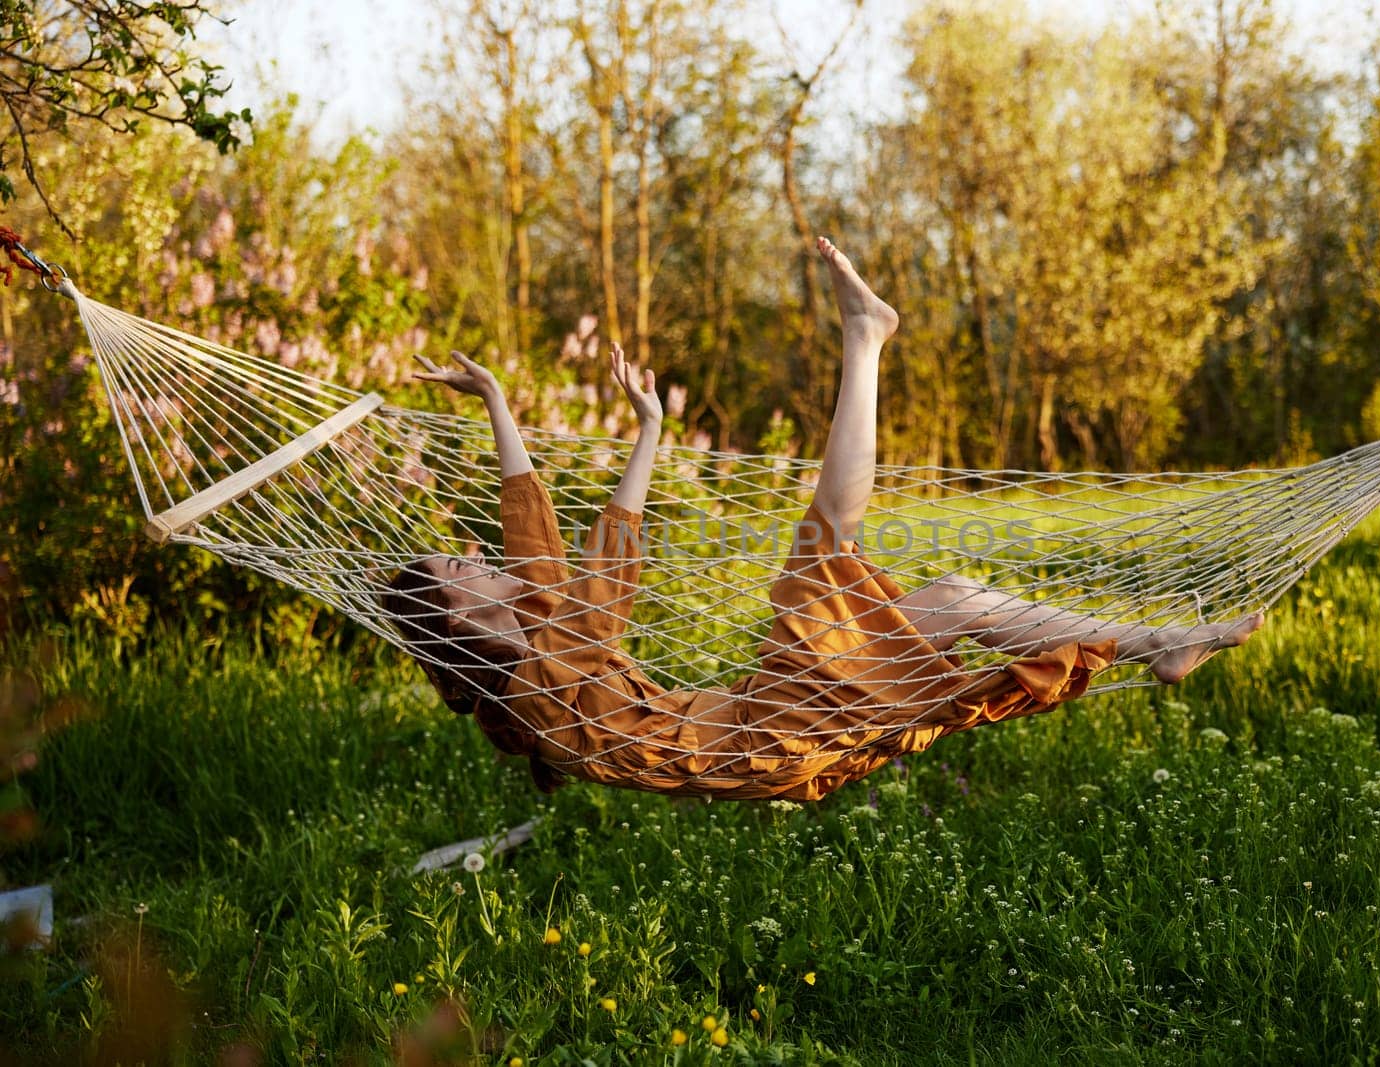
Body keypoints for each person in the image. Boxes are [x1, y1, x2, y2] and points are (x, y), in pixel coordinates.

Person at [384, 238, 1263, 800]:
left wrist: (506, 403)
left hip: (758, 717)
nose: (471, 553)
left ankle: (1155, 644)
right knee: (825, 558)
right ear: (462, 623)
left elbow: (529, 537)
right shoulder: (539, 683)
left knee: (949, 596)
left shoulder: (540, 644)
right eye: (458, 568)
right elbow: (604, 573)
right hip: (762, 734)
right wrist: (638, 445)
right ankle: (865, 339)